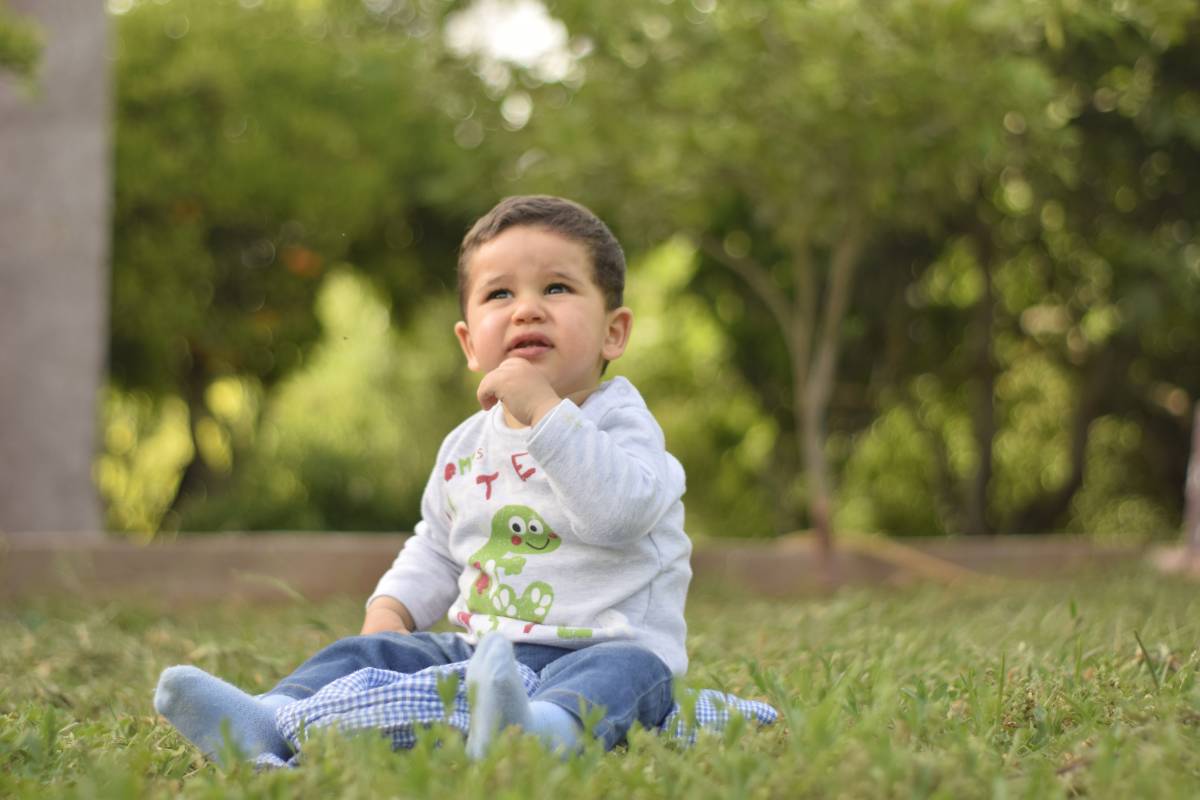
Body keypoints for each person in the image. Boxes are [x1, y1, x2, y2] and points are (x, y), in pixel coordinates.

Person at [153, 195, 692, 764]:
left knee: (633, 674)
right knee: (370, 651)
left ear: (614, 332)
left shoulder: (622, 424)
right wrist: (394, 609)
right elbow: (437, 547)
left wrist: (544, 412)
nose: (527, 309)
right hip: (483, 653)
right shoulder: (465, 447)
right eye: (500, 293)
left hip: (602, 649)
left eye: (557, 288)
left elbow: (619, 516)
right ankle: (267, 719)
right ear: (468, 343)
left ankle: (537, 735)